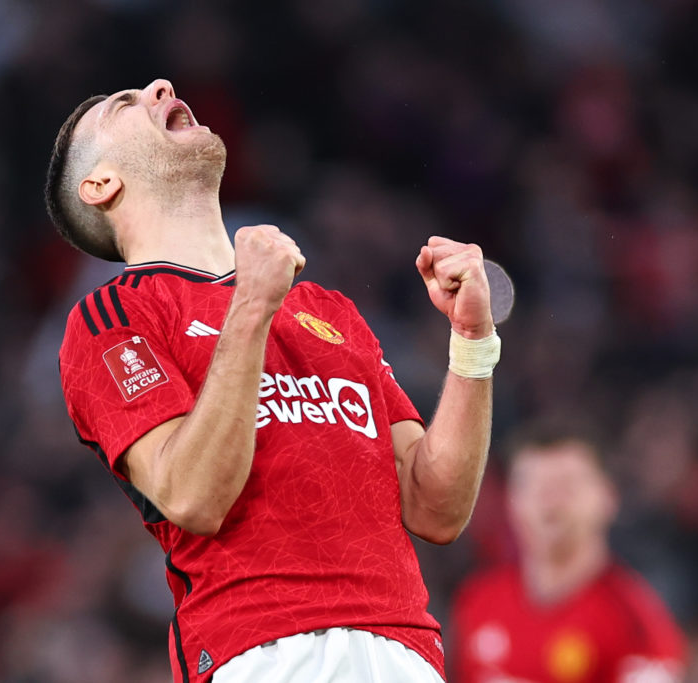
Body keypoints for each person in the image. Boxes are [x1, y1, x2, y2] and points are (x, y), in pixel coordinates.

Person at [45, 78, 501, 683]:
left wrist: (472, 345)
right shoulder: (114, 318)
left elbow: (435, 507)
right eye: (125, 105)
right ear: (101, 184)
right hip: (262, 651)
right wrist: (251, 306)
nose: (161, 87)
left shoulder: (327, 309)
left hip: (404, 650)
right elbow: (192, 496)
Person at [450, 422, 685, 683]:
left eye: (566, 486)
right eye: (534, 486)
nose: (549, 503)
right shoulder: (477, 602)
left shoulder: (637, 623)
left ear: (608, 497)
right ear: (510, 501)